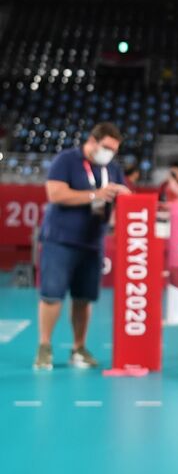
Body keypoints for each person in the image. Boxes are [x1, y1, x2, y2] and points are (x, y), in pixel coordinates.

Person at [34, 122, 131, 370]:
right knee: (52, 296)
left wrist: (123, 201)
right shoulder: (66, 160)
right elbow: (55, 194)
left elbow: (121, 201)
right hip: (61, 240)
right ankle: (44, 347)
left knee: (84, 299)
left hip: (92, 242)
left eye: (114, 149)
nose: (109, 153)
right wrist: (94, 195)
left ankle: (78, 348)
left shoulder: (112, 168)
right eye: (107, 147)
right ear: (93, 141)